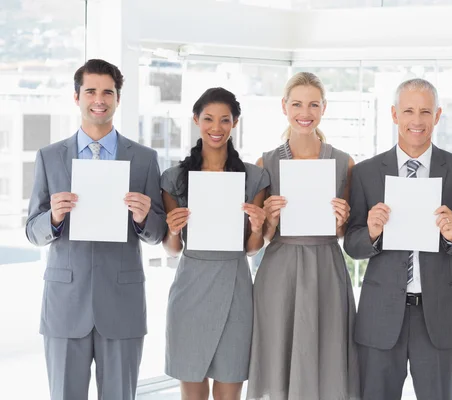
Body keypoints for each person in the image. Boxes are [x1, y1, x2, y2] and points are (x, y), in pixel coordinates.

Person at [25, 59, 167, 400]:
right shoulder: (49, 157)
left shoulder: (145, 158)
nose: (99, 99)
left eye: (108, 92)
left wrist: (143, 217)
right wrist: (54, 219)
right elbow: (32, 231)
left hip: (122, 303)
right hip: (65, 303)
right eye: (90, 91)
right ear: (77, 97)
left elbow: (159, 232)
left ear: (118, 98)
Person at [344, 78, 452, 400]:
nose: (417, 120)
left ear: (438, 116)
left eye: (425, 111)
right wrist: (372, 233)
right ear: (395, 114)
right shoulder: (367, 173)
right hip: (381, 315)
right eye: (409, 110)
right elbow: (351, 245)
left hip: (439, 316)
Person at [246, 72, 360, 400]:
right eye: (296, 103)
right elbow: (261, 240)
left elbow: (343, 235)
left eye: (313, 104)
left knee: (326, 353)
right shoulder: (265, 163)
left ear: (324, 108)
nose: (305, 112)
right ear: (284, 107)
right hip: (279, 268)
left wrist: (341, 221)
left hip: (326, 266)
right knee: (277, 355)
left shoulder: (344, 163)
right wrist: (268, 219)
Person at [161, 87, 269, 400]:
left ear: (235, 122)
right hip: (190, 288)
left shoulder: (254, 177)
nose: (216, 127)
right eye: (208, 119)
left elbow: (251, 248)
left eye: (225, 120)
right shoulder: (174, 179)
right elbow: (173, 249)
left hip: (235, 286)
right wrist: (171, 230)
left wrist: (257, 226)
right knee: (192, 391)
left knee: (229, 389)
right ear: (196, 120)